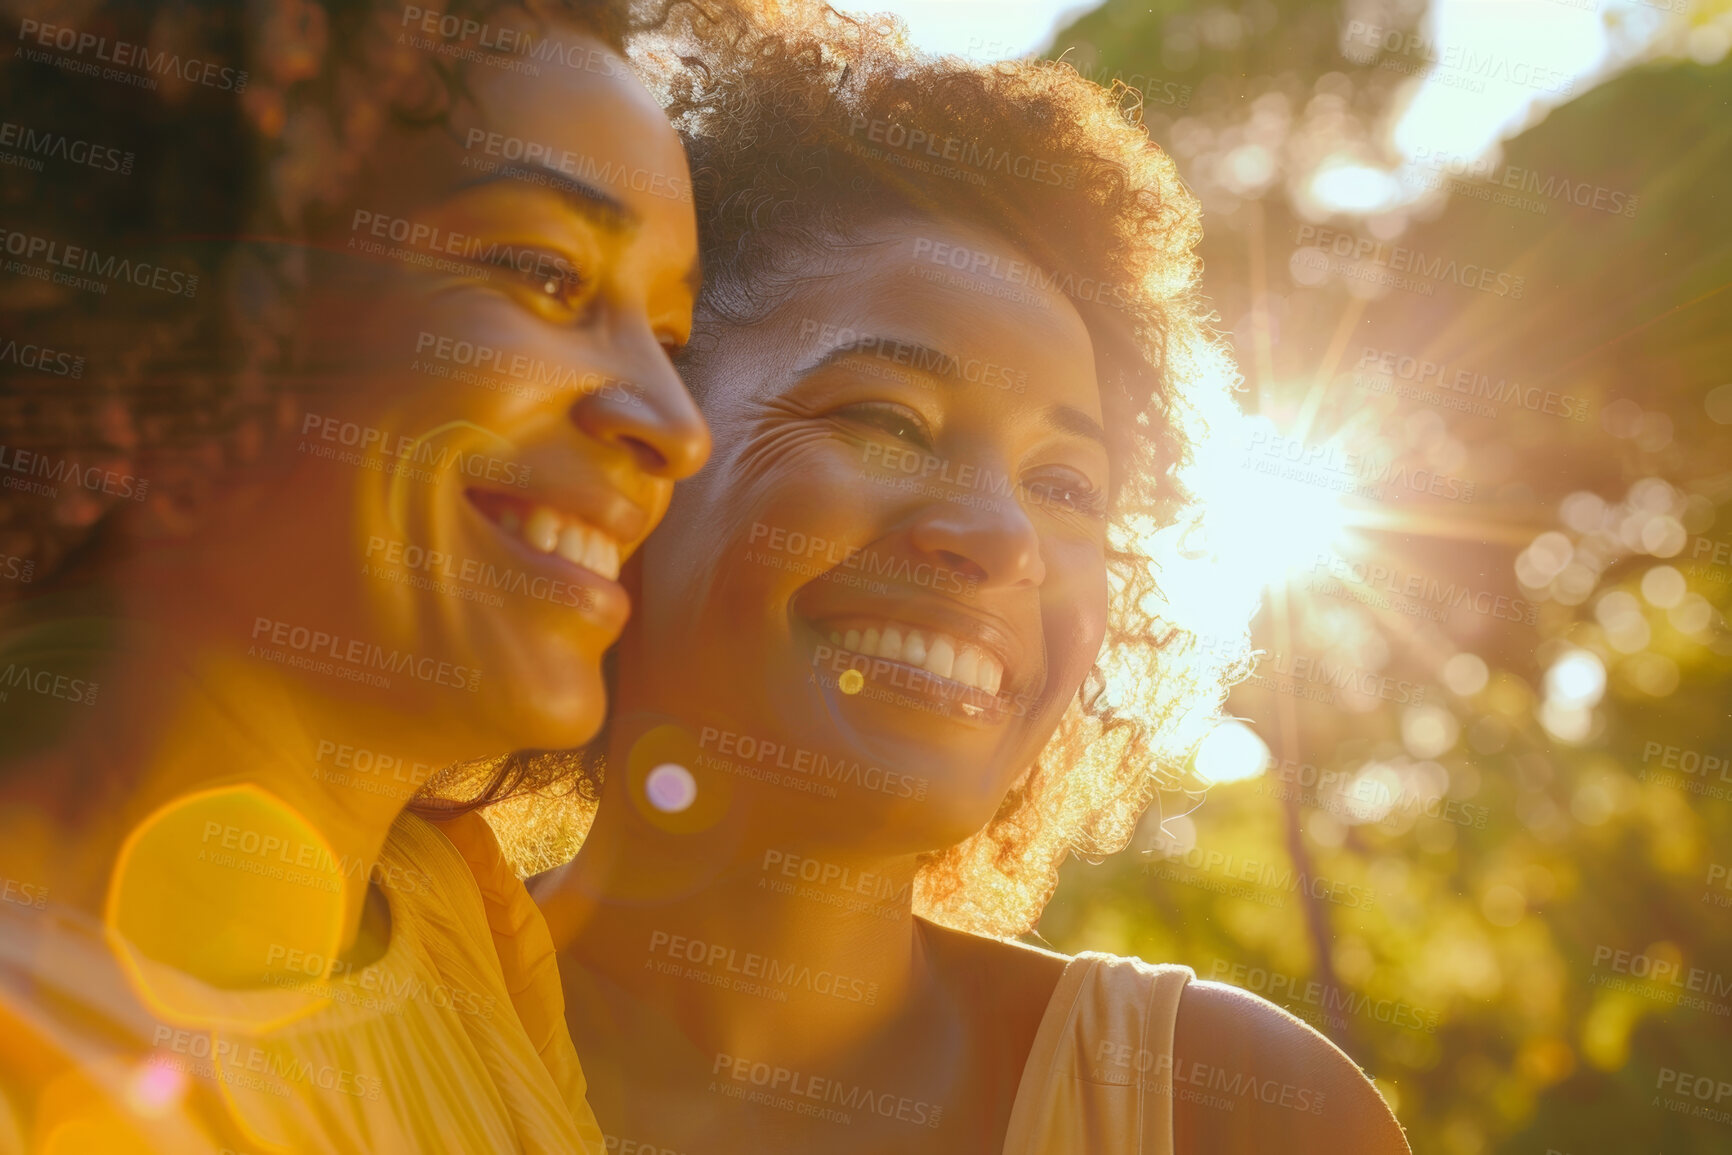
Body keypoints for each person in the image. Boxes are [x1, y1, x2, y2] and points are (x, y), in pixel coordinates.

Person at [513, 3, 1412, 1152]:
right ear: (641, 438)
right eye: (888, 419)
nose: (1002, 538)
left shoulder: (1233, 1111)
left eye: (1067, 485)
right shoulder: (348, 1012)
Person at [0, 0, 706, 1150]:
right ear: (190, 288)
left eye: (670, 340)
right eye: (544, 273)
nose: (678, 427)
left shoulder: (455, 914)